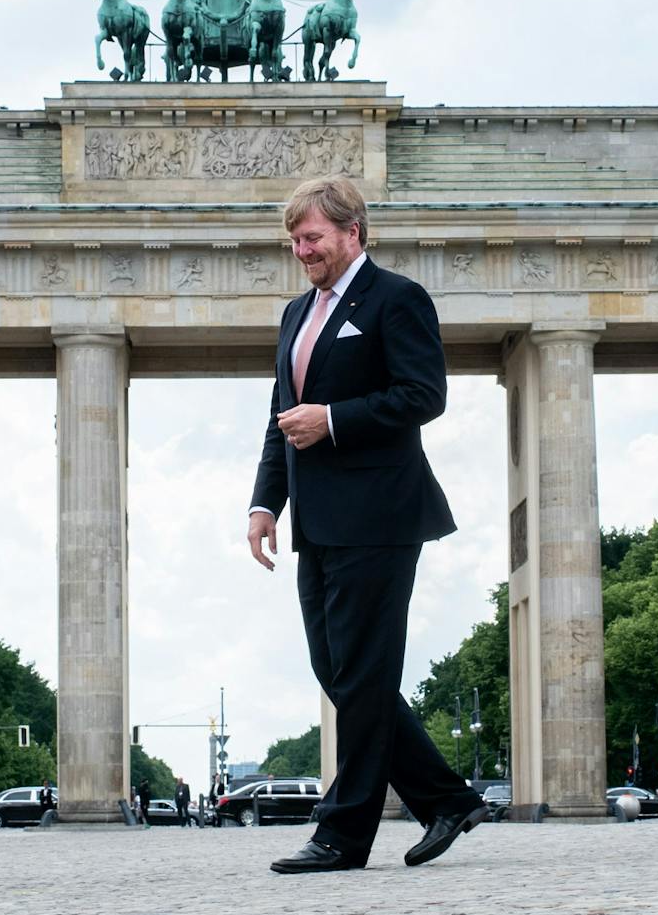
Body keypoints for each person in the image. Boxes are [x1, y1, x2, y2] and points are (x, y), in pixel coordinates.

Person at [247, 176, 486, 874]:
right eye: (295, 239)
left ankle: (343, 833)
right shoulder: (296, 313)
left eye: (313, 236)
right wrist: (265, 504)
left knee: (363, 671)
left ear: (354, 232)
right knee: (344, 672)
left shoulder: (397, 298)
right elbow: (279, 417)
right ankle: (447, 797)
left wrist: (335, 419)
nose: (303, 250)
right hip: (317, 520)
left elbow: (425, 393)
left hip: (381, 514)